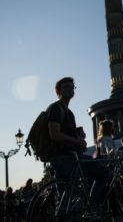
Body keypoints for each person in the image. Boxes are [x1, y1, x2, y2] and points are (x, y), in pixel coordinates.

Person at [47, 77, 112, 214]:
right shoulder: (55, 108)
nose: (70, 89)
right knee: (104, 173)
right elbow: (54, 134)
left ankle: (75, 211)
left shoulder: (69, 113)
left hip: (70, 155)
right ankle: (87, 207)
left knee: (67, 193)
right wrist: (76, 141)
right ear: (59, 91)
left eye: (72, 87)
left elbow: (69, 136)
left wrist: (80, 141)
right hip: (63, 157)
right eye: (66, 87)